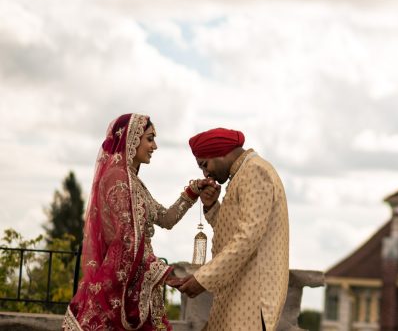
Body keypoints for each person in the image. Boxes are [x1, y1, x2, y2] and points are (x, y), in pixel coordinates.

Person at [63, 113, 209, 330]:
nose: (155, 146)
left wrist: (191, 192)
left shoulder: (133, 181)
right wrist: (164, 273)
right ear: (132, 138)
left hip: (139, 284)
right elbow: (127, 239)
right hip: (121, 287)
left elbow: (165, 219)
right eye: (150, 138)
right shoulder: (117, 177)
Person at [170, 128, 290, 331]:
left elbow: (247, 238)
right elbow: (236, 232)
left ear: (221, 152)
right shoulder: (243, 173)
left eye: (204, 164)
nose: (206, 173)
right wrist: (211, 207)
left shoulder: (255, 171)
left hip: (252, 299)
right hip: (237, 293)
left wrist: (202, 279)